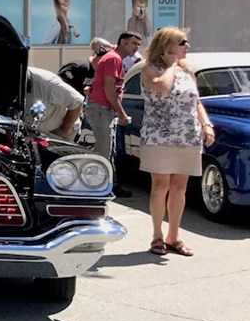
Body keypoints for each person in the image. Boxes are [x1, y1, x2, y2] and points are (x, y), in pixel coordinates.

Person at [140, 27, 213, 257]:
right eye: (182, 42)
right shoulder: (150, 69)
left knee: (180, 187)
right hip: (159, 135)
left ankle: (174, 236)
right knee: (160, 186)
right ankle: (157, 236)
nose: (187, 46)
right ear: (167, 46)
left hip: (187, 136)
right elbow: (162, 86)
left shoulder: (188, 71)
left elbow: (196, 101)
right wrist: (171, 65)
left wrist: (206, 124)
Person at [84, 31, 141, 197]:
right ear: (123, 42)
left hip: (104, 109)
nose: (136, 48)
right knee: (103, 151)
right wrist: (121, 113)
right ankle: (94, 188)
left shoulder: (114, 59)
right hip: (101, 109)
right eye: (133, 43)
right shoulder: (113, 58)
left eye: (138, 44)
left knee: (109, 150)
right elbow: (109, 88)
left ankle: (110, 185)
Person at [26, 67, 84, 141]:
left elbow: (77, 101)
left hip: (59, 131)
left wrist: (64, 130)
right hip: (34, 133)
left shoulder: (46, 83)